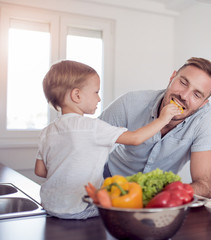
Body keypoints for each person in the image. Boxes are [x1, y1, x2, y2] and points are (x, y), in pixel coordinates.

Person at [34, 60, 181, 219]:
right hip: (80, 208)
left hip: (50, 205)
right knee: (125, 209)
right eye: (96, 92)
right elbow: (136, 138)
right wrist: (163, 119)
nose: (98, 99)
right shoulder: (93, 127)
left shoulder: (46, 132)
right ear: (77, 95)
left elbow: (40, 171)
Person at [100, 57, 211, 198]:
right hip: (110, 182)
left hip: (158, 196)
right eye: (183, 83)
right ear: (172, 77)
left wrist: (162, 196)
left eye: (196, 94)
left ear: (203, 104)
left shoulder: (204, 120)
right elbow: (87, 140)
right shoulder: (131, 102)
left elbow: (204, 186)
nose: (183, 96)